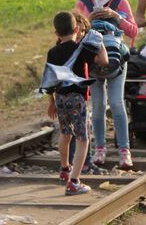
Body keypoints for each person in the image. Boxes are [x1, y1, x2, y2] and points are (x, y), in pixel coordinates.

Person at [75, 0, 137, 169]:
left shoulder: (120, 2)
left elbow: (133, 32)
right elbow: (73, 33)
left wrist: (115, 16)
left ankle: (124, 150)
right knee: (98, 106)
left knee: (117, 103)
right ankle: (99, 148)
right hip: (92, 61)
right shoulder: (85, 2)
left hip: (116, 58)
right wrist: (88, 19)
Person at [46, 12, 108, 195]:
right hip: (77, 99)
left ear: (56, 33)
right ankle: (74, 181)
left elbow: (49, 80)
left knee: (65, 134)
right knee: (83, 139)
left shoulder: (52, 52)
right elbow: (103, 61)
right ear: (76, 29)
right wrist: (100, 42)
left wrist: (51, 102)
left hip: (61, 99)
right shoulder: (81, 48)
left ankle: (65, 169)